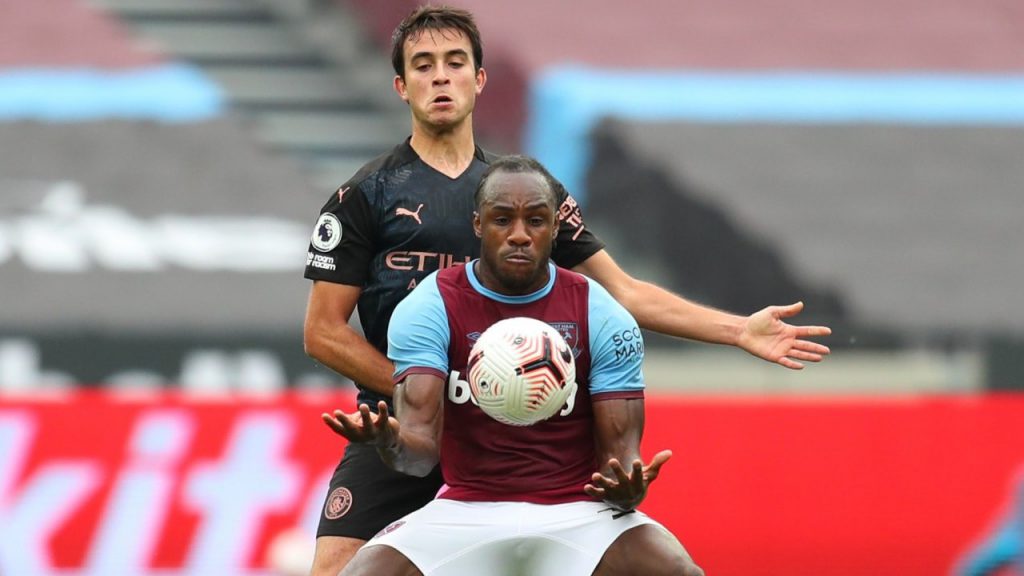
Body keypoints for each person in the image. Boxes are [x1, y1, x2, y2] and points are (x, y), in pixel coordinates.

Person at [303, 5, 830, 574]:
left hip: (529, 427)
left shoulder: (524, 194)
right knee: (336, 569)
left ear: (479, 80)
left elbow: (622, 293)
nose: (440, 77)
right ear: (402, 86)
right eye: (423, 66)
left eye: (455, 63)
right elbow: (323, 332)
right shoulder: (366, 196)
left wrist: (737, 330)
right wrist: (441, 395)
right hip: (404, 423)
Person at [326, 154, 703, 575]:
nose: (519, 235)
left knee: (676, 569)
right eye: (502, 220)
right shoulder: (431, 306)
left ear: (556, 228)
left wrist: (628, 491)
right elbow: (420, 456)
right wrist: (389, 441)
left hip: (577, 510)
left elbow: (621, 462)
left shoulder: (602, 314)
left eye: (536, 221)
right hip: (467, 506)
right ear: (478, 226)